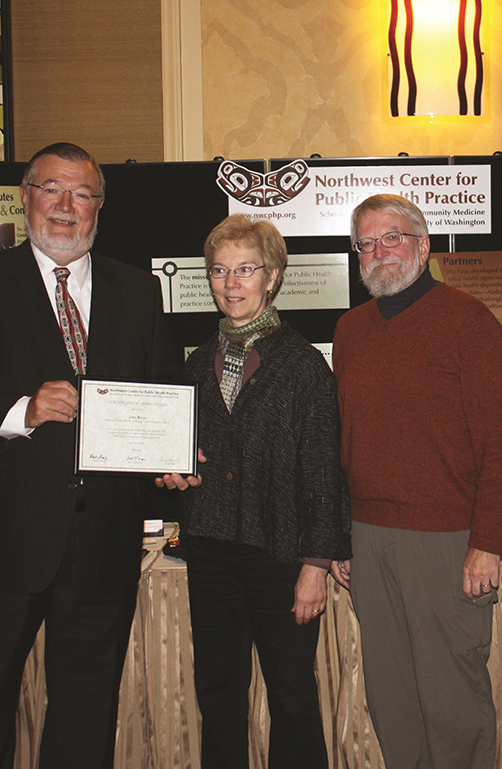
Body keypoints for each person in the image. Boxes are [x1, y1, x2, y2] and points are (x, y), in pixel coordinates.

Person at [0, 142, 179, 769]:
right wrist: (20, 411)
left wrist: (171, 453)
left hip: (103, 546)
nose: (66, 207)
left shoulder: (136, 291)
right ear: (26, 197)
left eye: (82, 194)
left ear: (99, 208)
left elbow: (162, 393)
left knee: (87, 718)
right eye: (52, 190)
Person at [331, 194, 502, 769]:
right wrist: (339, 534)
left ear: (423, 245)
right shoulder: (350, 330)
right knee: (391, 697)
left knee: (451, 702)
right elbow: (343, 441)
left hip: (446, 542)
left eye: (392, 238)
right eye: (366, 243)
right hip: (367, 539)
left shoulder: (469, 321)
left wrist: (487, 543)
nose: (379, 252)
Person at [156, 215, 351, 769]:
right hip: (212, 548)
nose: (231, 283)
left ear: (273, 277)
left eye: (245, 269)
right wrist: (174, 469)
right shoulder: (196, 364)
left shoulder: (304, 365)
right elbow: (187, 454)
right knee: (217, 691)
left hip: (280, 555)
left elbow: (321, 470)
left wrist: (316, 563)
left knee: (291, 694)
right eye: (219, 271)